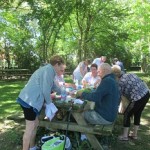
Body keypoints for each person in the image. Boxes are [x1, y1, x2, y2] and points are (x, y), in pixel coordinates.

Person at [16, 55, 65, 150]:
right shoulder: (48, 71)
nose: (62, 69)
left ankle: (32, 147)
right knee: (29, 128)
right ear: (57, 64)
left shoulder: (49, 71)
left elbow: (54, 87)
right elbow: (46, 91)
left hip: (30, 101)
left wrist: (65, 92)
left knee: (35, 123)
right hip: (29, 101)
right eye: (61, 66)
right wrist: (50, 103)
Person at [112, 65, 150, 141]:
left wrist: (115, 107)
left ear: (115, 75)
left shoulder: (120, 83)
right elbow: (141, 81)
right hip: (146, 93)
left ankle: (125, 136)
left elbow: (118, 98)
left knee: (127, 114)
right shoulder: (130, 74)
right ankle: (134, 135)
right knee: (137, 113)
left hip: (138, 97)